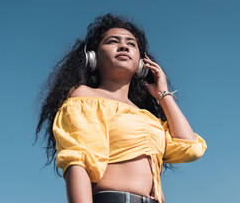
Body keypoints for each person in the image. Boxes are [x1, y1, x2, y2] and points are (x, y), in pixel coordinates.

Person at [36, 13, 207, 203]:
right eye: (112, 41)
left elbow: (191, 148)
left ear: (142, 64)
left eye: (131, 44)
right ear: (93, 57)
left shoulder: (147, 118)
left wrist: (163, 94)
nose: (124, 46)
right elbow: (78, 163)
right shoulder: (84, 97)